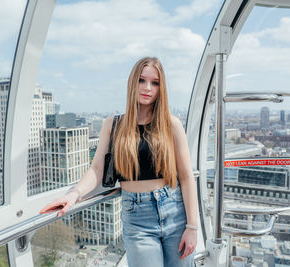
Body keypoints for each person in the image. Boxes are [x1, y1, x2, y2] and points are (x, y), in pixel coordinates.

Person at [40, 57, 198, 267]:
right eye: (142, 80)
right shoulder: (113, 125)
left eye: (155, 83)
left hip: (175, 211)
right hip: (137, 218)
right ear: (133, 82)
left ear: (161, 88)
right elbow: (97, 169)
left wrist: (192, 227)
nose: (147, 88)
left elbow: (187, 178)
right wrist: (73, 195)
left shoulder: (171, 124)